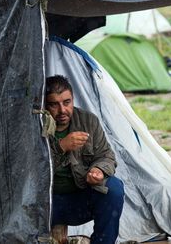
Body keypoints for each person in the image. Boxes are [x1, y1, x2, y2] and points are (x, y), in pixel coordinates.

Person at [45, 75, 124, 244]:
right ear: (45, 105)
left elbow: (106, 155)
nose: (62, 110)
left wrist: (99, 170)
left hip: (78, 201)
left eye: (67, 102)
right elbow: (29, 170)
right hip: (44, 205)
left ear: (73, 99)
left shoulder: (88, 121)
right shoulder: (34, 124)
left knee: (113, 189)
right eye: (54, 104)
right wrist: (61, 147)